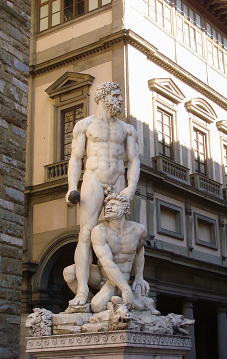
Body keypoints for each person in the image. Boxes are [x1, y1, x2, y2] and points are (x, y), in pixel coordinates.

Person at [65, 82, 140, 306]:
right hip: (93, 178)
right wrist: (72, 187)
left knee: (118, 234)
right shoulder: (85, 125)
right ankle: (81, 291)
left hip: (117, 179)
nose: (120, 99)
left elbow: (134, 161)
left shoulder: (126, 129)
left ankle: (116, 285)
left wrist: (131, 188)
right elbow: (76, 159)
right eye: (116, 95)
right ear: (104, 96)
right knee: (86, 234)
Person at [63, 194, 149, 312]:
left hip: (120, 277)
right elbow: (106, 262)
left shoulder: (138, 230)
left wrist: (139, 277)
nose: (108, 207)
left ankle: (104, 305)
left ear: (124, 209)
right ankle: (87, 304)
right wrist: (126, 289)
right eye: (107, 205)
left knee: (98, 305)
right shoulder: (99, 231)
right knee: (69, 272)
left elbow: (139, 251)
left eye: (114, 205)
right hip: (101, 274)